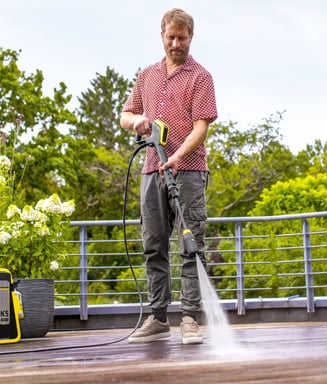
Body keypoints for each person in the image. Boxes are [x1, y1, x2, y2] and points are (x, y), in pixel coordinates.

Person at [120, 8, 217, 345]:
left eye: (182, 38)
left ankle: (189, 318)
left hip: (188, 172)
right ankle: (158, 317)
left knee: (191, 245)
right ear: (162, 35)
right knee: (153, 245)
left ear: (191, 37)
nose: (176, 43)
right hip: (151, 170)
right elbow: (125, 114)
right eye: (171, 37)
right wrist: (138, 121)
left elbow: (201, 127)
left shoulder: (200, 77)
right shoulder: (147, 75)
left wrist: (177, 156)